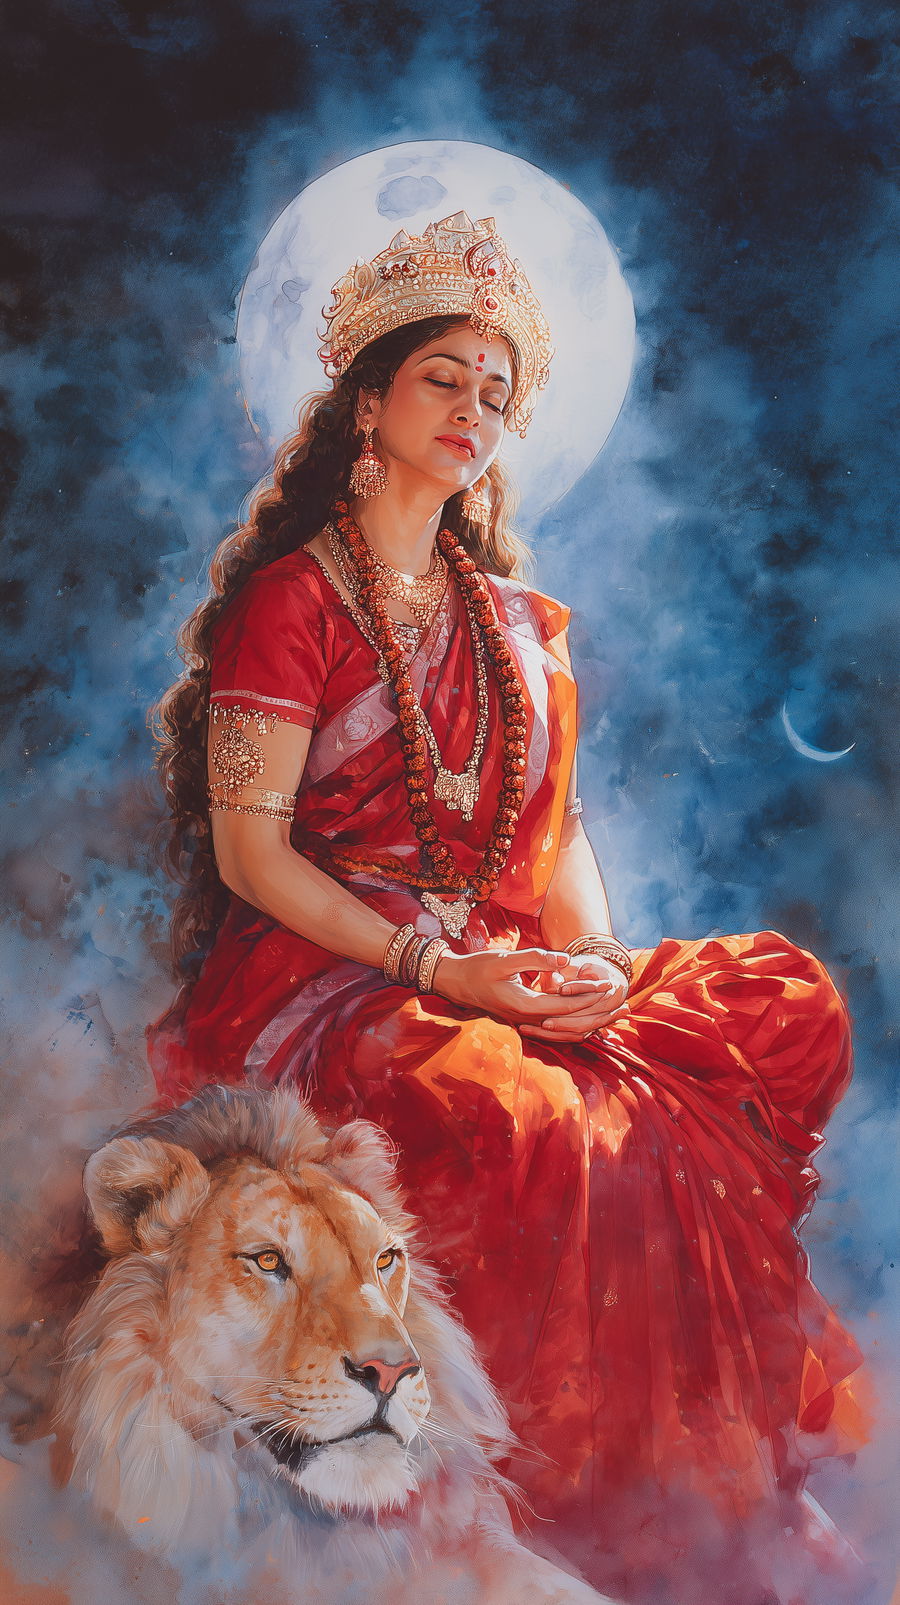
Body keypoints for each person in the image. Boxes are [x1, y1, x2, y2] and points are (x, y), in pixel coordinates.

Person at [149, 214, 863, 1601]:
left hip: (504, 959)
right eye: (442, 378)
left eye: (495, 389)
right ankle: (565, 1518)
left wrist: (594, 963)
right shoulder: (292, 604)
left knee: (773, 1004)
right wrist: (439, 968)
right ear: (368, 402)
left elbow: (559, 833)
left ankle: (707, 1495)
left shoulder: (519, 622)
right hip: (338, 971)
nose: (472, 409)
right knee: (527, 1113)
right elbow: (251, 858)